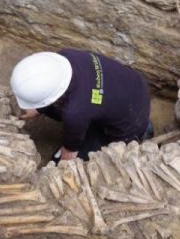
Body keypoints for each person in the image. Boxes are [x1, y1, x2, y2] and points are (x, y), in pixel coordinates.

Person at [11, 49, 153, 162]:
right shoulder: (66, 56)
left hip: (130, 123)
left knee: (60, 162)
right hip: (134, 87)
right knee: (84, 109)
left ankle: (141, 133)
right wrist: (39, 107)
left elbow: (71, 147)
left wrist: (69, 152)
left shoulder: (75, 113)